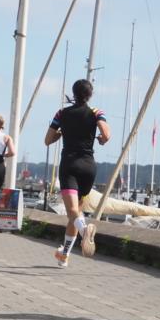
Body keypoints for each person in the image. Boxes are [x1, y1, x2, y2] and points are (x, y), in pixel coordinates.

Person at [44, 79, 110, 268]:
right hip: (88, 167)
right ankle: (64, 256)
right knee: (76, 213)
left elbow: (47, 140)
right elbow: (106, 135)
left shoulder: (62, 113)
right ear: (90, 95)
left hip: (70, 166)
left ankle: (85, 231)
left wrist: (61, 133)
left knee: (72, 211)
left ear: (73, 94)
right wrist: (101, 139)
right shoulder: (96, 112)